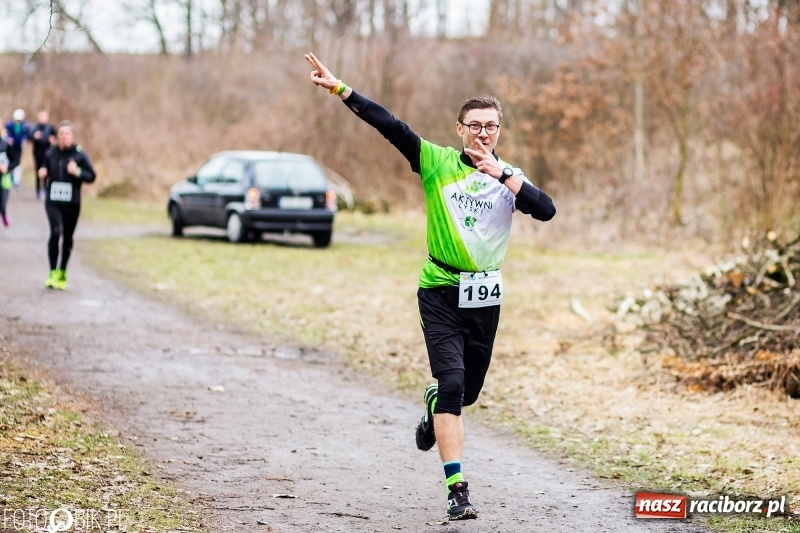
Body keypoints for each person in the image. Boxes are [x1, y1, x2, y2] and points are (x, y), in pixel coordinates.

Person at [305, 53, 556, 520]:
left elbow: (547, 210)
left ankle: (432, 409)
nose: (484, 132)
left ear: (500, 131)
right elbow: (390, 125)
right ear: (459, 128)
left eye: (492, 126)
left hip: (485, 299)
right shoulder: (437, 162)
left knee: (467, 393)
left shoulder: (510, 179)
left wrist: (503, 176)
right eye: (475, 124)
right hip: (439, 289)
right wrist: (341, 89)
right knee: (453, 384)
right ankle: (457, 489)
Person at [37, 121, 96, 290]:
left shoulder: (79, 155)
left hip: (72, 203)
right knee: (55, 233)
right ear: (57, 137)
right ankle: (52, 272)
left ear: (72, 136)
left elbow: (91, 176)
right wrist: (43, 173)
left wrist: (77, 172)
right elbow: (43, 168)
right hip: (53, 201)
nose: (64, 137)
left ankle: (62, 270)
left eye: (67, 134)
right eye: (61, 134)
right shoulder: (50, 154)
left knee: (68, 237)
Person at [29, 110, 56, 200]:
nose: (43, 119)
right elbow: (29, 137)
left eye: (45, 117)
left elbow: (55, 136)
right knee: (38, 172)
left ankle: (44, 188)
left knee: (47, 171)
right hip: (37, 153)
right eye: (42, 117)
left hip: (48, 153)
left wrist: (52, 139)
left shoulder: (50, 127)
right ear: (38, 118)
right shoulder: (35, 127)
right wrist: (34, 137)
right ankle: (37, 191)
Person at [5, 108, 30, 189]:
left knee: (17, 162)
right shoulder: (10, 125)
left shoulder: (25, 126)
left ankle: (16, 180)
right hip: (11, 147)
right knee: (11, 161)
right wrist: (9, 138)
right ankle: (10, 175)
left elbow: (27, 135)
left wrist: (24, 140)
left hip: (19, 147)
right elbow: (6, 133)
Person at [0, 124, 10, 226]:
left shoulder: (5, 144)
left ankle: (3, 213)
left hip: (4, 179)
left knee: (2, 204)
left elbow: (14, 160)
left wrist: (7, 168)